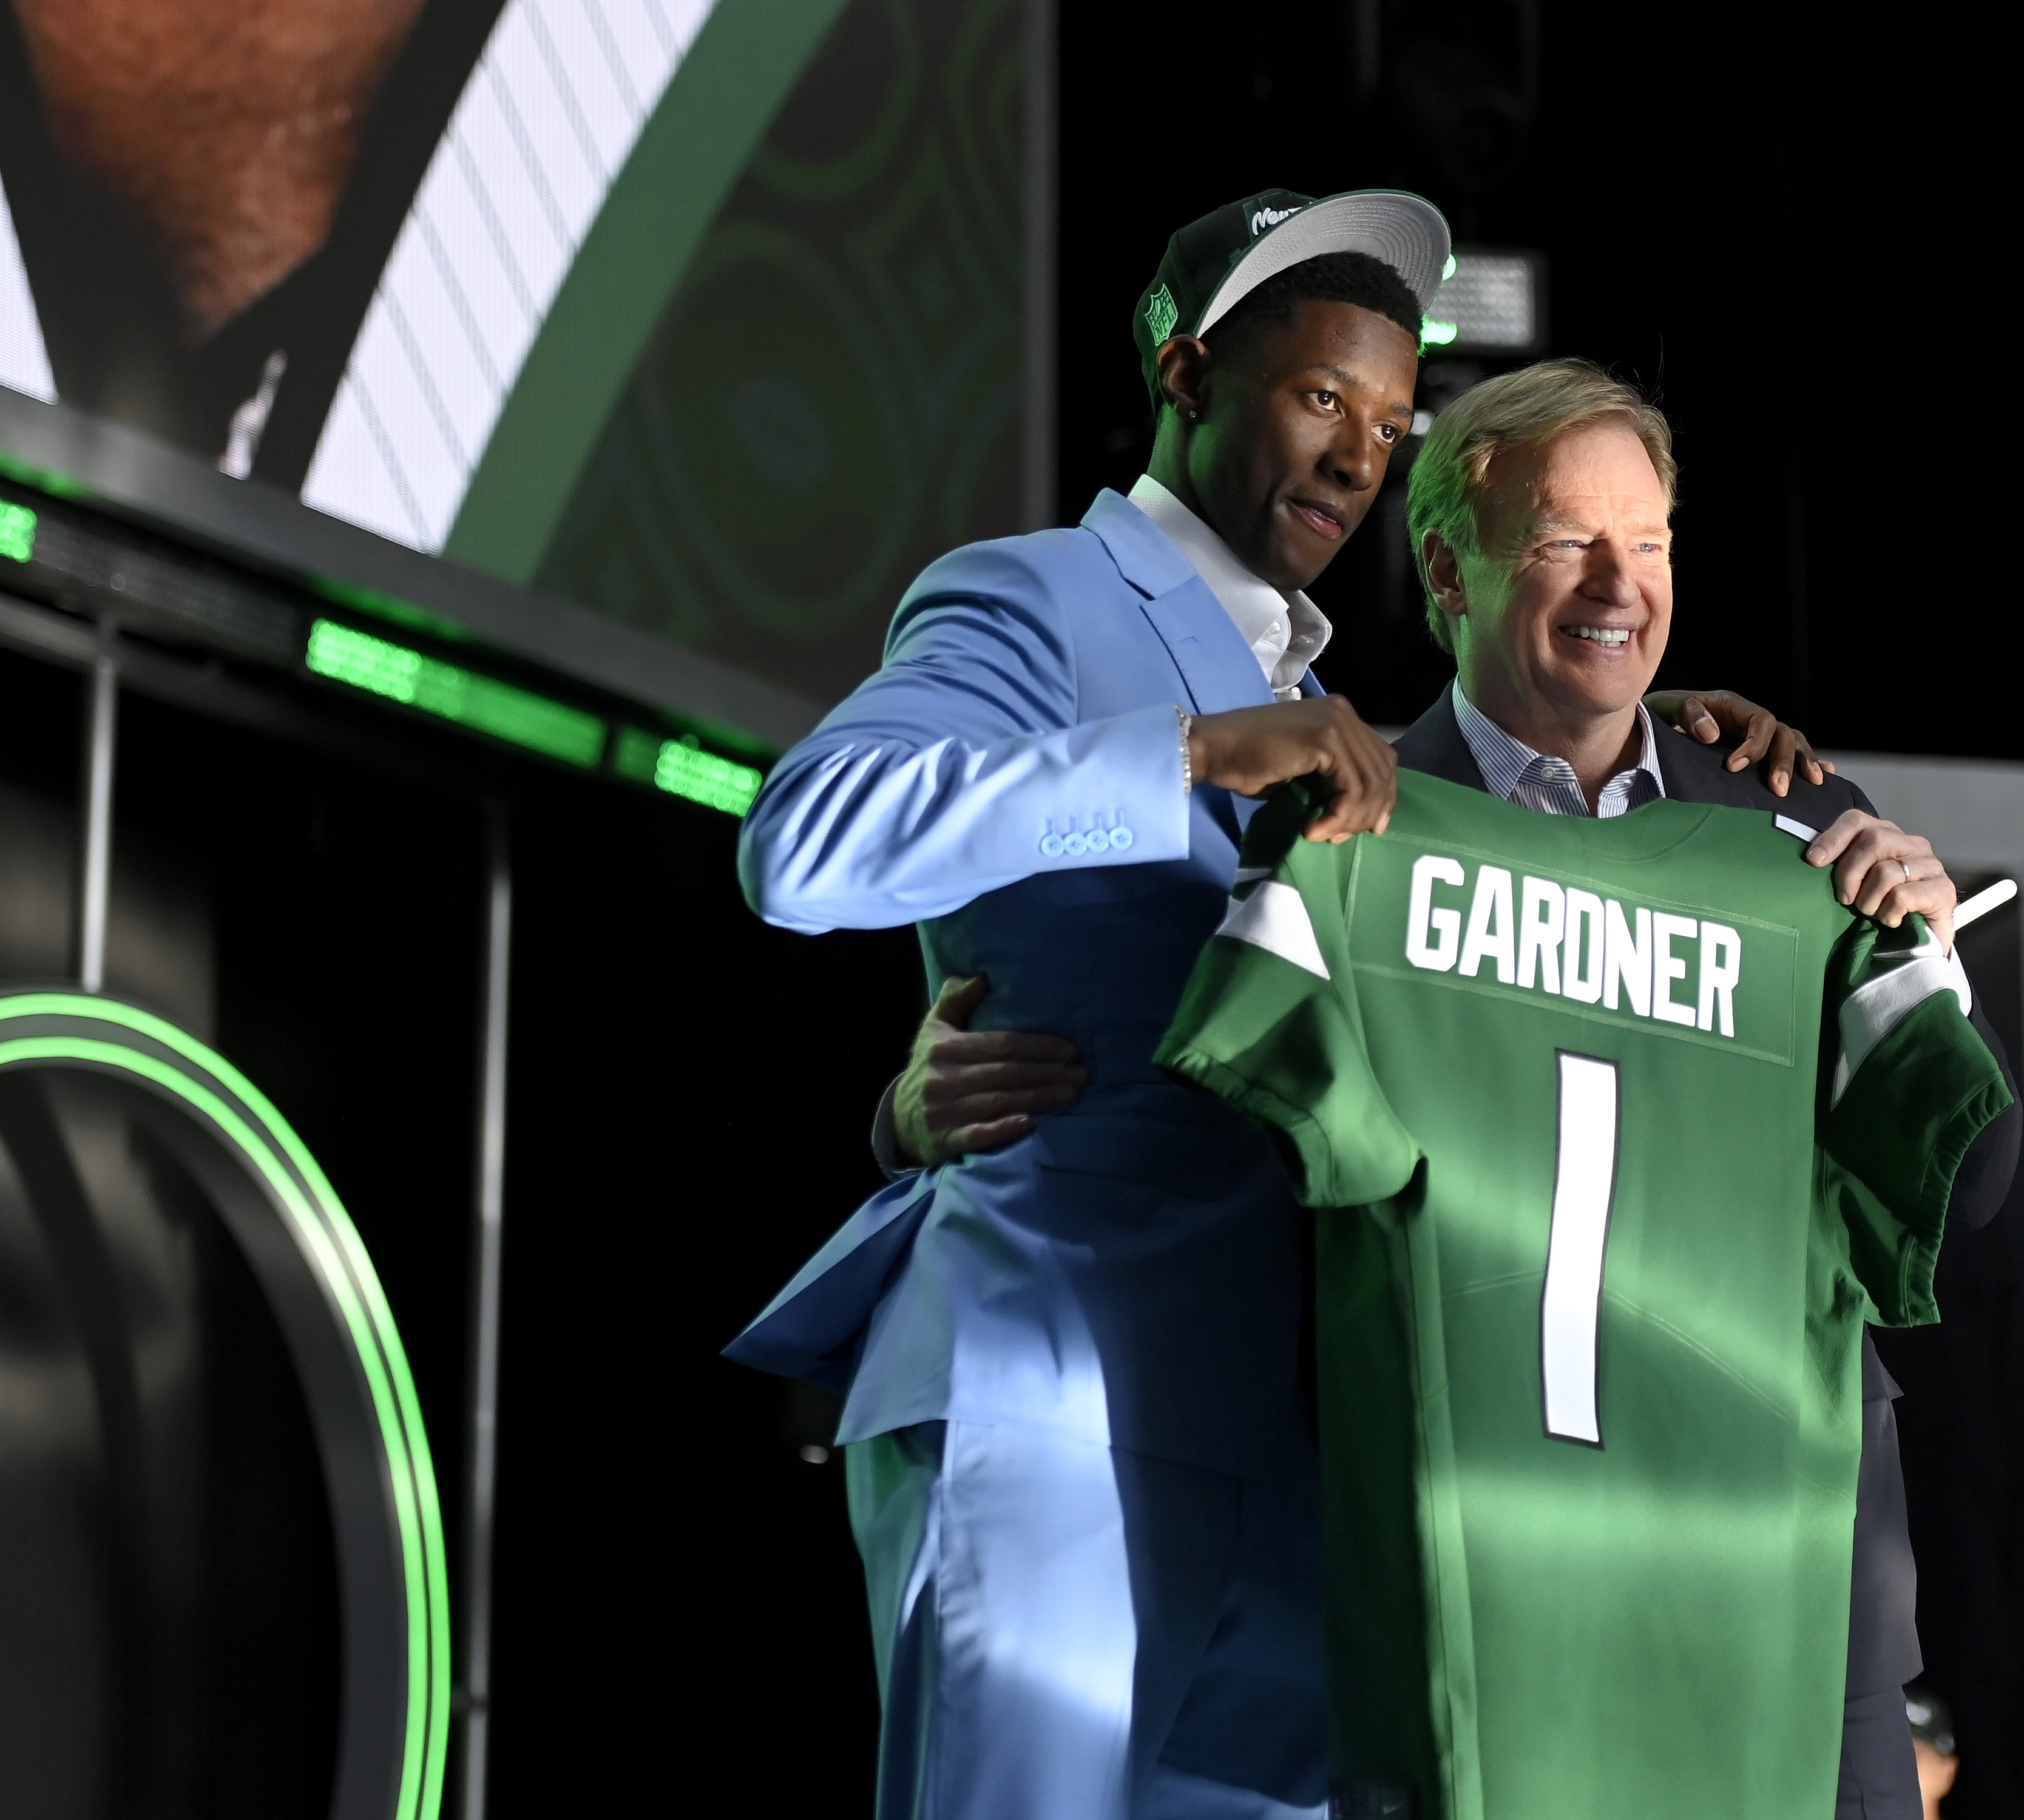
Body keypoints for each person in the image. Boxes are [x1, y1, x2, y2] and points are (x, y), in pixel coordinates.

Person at [728, 191, 1830, 1820]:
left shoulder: (1322, 706)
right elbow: (806, 842)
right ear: (1185, 378)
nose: (1356, 458)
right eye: (1320, 398)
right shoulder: (1032, 597)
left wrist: (1642, 731)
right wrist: (1176, 754)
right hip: (1062, 1404)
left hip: (1301, 1469)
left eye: (1387, 425)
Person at [884, 357, 2022, 1818]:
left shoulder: (1794, 825)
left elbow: (1966, 1182)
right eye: (1566, 542)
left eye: (1652, 543)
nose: (1620, 582)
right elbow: (1198, 1147)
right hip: (1457, 1591)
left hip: (1779, 1576)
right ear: (1446, 567)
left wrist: (1924, 942)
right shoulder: (1346, 823)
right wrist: (921, 1115)